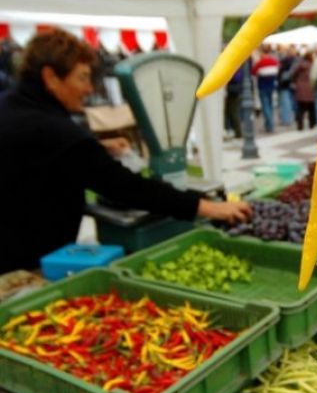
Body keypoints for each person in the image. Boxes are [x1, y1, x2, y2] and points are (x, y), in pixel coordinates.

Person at [0, 28, 252, 274]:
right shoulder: (59, 133)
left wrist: (97, 148)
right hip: (24, 263)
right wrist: (209, 208)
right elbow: (127, 187)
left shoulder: (10, 106)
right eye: (82, 77)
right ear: (51, 77)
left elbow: (37, 154)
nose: (89, 89)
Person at [252, 45, 279, 133]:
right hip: (271, 86)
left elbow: (253, 72)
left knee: (265, 107)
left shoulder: (260, 62)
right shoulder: (274, 61)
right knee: (270, 106)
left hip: (262, 86)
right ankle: (269, 124)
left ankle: (269, 125)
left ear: (262, 53)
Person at [292, 51, 316, 130]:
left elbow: (293, 74)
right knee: (311, 109)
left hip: (301, 89)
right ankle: (312, 124)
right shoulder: (313, 66)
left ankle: (300, 126)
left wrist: (295, 81)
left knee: (300, 109)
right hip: (311, 88)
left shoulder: (300, 65)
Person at [277, 45, 297, 127]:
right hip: (293, 84)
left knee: (286, 103)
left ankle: (286, 119)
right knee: (292, 102)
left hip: (284, 84)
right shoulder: (297, 60)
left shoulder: (285, 61)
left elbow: (280, 72)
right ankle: (291, 118)